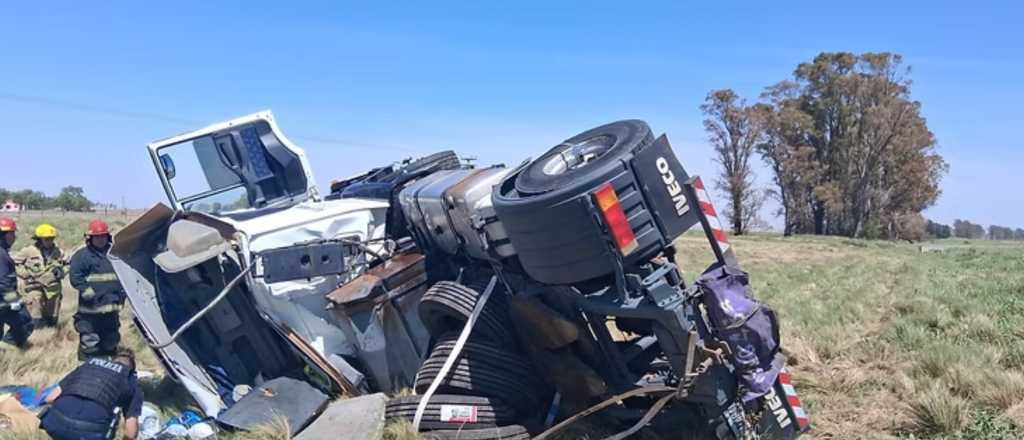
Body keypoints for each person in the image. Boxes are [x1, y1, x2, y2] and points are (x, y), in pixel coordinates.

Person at [40, 348, 143, 440]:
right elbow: (130, 429)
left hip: (55, 422)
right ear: (131, 368)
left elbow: (51, 397)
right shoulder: (130, 379)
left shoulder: (88, 365)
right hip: (89, 432)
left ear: (112, 360)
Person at [69, 219, 126, 360]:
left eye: (103, 236)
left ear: (108, 237)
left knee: (111, 341)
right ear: (90, 238)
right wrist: (89, 294)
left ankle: (107, 366)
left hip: (111, 311)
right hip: (90, 312)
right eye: (97, 236)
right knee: (90, 342)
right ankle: (86, 367)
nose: (100, 239)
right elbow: (76, 277)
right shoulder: (82, 256)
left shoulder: (115, 254)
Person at [15, 223, 68, 328]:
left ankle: (51, 336)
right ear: (39, 239)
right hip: (34, 286)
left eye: (51, 238)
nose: (50, 241)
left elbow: (68, 265)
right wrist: (25, 274)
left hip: (53, 288)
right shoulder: (28, 251)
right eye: (46, 239)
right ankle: (37, 336)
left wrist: (62, 271)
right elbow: (15, 264)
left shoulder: (58, 252)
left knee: (52, 316)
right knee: (35, 311)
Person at [0, 217, 33, 348]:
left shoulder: (3, 252)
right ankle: (6, 351)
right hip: (5, 298)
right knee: (25, 322)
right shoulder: (1, 254)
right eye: (12, 234)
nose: (14, 237)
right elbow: (2, 282)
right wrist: (14, 300)